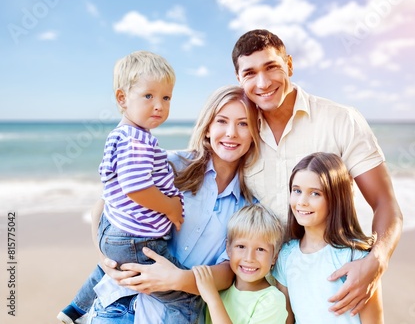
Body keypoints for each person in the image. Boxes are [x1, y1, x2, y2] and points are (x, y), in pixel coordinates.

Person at [232, 29, 403, 316]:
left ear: (289, 64)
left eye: (271, 67)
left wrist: (377, 261)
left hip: (334, 282)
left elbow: (385, 203)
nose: (262, 82)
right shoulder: (239, 133)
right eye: (250, 73)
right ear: (239, 79)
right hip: (264, 291)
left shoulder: (340, 120)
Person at [86, 84, 261, 323]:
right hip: (119, 304)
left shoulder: (248, 205)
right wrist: (105, 260)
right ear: (208, 127)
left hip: (176, 315)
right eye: (222, 121)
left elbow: (229, 271)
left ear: (254, 133)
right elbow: (104, 206)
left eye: (243, 124)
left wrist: (177, 279)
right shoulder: (170, 165)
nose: (231, 132)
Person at [58, 50, 186, 324]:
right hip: (137, 238)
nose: (159, 106)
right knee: (185, 297)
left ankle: (75, 309)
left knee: (110, 268)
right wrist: (171, 208)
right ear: (122, 98)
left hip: (114, 229)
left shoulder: (121, 134)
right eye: (149, 96)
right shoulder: (137, 140)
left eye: (166, 97)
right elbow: (137, 189)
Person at [273, 152, 384, 323]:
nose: (302, 201)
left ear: (335, 199)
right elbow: (287, 319)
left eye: (315, 193)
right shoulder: (286, 256)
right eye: (297, 191)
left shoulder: (355, 257)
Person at [193, 204, 288, 324]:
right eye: (241, 246)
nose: (249, 258)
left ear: (274, 257)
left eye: (260, 249)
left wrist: (212, 299)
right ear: (228, 248)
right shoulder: (222, 288)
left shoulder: (272, 300)